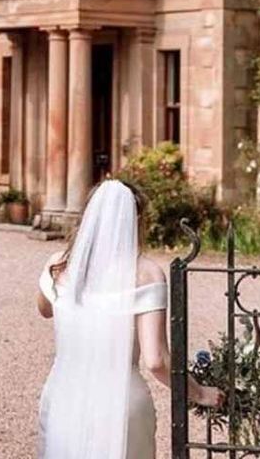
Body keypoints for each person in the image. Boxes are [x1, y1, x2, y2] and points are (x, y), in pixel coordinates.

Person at [36, 179, 223, 459]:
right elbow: (156, 360)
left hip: (64, 396)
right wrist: (200, 393)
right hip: (120, 401)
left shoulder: (57, 265)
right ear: (137, 221)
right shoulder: (146, 274)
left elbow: (45, 309)